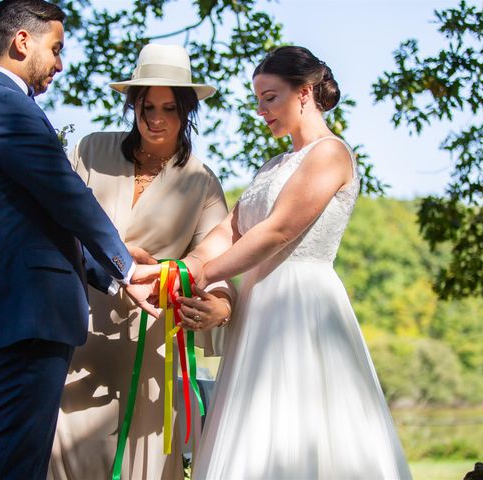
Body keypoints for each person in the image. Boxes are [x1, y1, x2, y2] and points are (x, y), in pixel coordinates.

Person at [177, 46, 413, 479]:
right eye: (258, 100)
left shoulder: (330, 154)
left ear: (304, 93)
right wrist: (178, 269)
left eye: (270, 97)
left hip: (302, 307)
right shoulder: (271, 166)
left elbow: (278, 231)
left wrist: (207, 275)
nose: (261, 110)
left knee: (306, 426)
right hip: (258, 309)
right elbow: (230, 231)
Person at [0, 1, 157, 478]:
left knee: (19, 460)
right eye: (56, 49)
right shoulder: (6, 107)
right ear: (22, 41)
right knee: (12, 464)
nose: (61, 64)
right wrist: (123, 263)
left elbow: (43, 220)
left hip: (21, 312)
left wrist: (111, 278)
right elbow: (68, 197)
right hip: (26, 313)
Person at [47, 43, 235, 480]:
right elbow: (57, 225)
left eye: (169, 108)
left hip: (154, 350)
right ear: (132, 104)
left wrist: (221, 307)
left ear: (187, 110)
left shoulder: (202, 182)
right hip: (79, 335)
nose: (155, 118)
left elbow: (219, 260)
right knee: (62, 459)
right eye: (146, 106)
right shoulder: (91, 151)